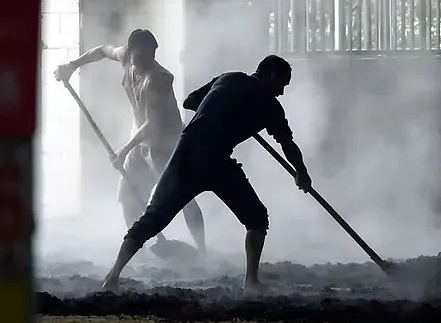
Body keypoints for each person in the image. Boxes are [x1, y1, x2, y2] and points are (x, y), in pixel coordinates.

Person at [100, 55, 312, 293]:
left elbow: (190, 102)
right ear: (272, 75)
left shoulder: (228, 78)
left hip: (185, 153)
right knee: (256, 218)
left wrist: (224, 110)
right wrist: (301, 173)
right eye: (282, 84)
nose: (281, 92)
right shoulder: (269, 105)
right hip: (215, 160)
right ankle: (251, 281)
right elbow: (287, 143)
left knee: (152, 218)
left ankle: (112, 276)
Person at [53, 29, 206, 254]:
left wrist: (125, 149)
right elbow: (103, 51)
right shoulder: (125, 57)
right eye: (140, 56)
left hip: (165, 143)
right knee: (126, 196)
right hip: (139, 141)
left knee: (180, 196)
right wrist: (73, 65)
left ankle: (202, 251)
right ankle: (137, 249)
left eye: (151, 55)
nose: (146, 61)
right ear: (130, 51)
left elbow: (152, 124)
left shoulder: (159, 79)